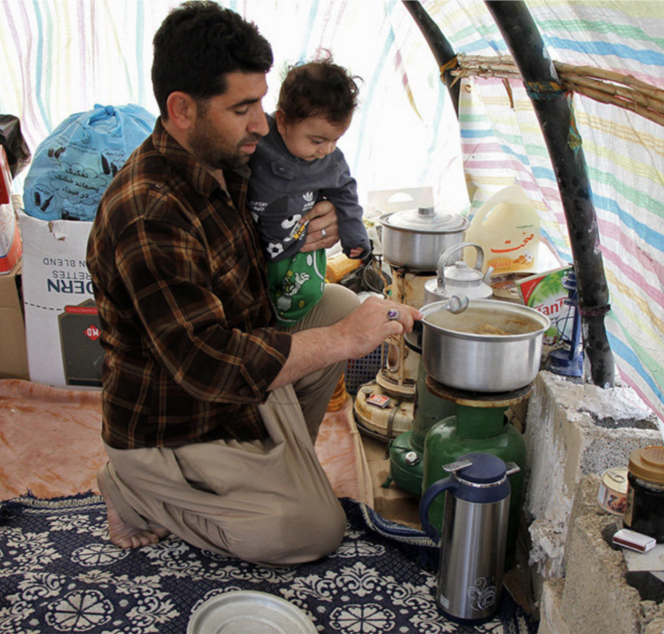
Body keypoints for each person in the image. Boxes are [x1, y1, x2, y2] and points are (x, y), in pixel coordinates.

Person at [85, 0, 418, 565]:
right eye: (243, 108)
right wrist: (345, 341)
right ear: (182, 109)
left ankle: (271, 470)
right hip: (180, 419)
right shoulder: (150, 213)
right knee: (313, 530)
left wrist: (322, 221)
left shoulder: (232, 159)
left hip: (236, 390)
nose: (263, 124)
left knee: (336, 301)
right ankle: (135, 485)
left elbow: (297, 206)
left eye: (261, 102)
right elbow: (208, 365)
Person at [247, 57, 370, 327]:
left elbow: (345, 194)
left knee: (306, 293)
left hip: (300, 248)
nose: (326, 150)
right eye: (317, 140)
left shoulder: (331, 160)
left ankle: (287, 333)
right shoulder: (256, 143)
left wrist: (354, 234)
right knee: (257, 303)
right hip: (256, 251)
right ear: (282, 121)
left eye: (335, 140)